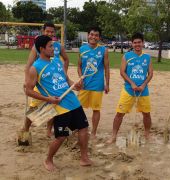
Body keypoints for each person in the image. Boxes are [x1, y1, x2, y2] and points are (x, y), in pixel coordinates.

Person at [25, 35, 91, 171]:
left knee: (83, 128)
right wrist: (48, 99)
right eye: (50, 46)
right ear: (42, 49)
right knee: (61, 137)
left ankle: (84, 157)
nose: (54, 48)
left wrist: (75, 85)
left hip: (73, 100)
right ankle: (48, 160)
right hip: (59, 105)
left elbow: (66, 79)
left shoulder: (57, 61)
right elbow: (28, 91)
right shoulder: (35, 68)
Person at [23, 22, 70, 137]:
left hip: (54, 83)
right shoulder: (37, 46)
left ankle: (49, 130)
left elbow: (66, 60)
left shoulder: (58, 46)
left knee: (53, 106)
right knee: (34, 108)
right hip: (41, 82)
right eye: (47, 31)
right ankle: (25, 129)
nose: (50, 33)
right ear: (43, 31)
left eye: (52, 32)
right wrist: (27, 80)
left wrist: (63, 75)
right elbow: (29, 65)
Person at [107, 32, 153, 144]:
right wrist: (132, 83)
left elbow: (150, 74)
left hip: (143, 91)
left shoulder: (147, 57)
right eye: (135, 42)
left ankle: (147, 134)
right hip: (128, 90)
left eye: (139, 42)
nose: (137, 44)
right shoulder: (126, 56)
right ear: (132, 44)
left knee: (146, 114)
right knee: (119, 114)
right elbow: (122, 72)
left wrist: (143, 85)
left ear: (143, 43)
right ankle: (113, 136)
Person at [77, 27, 110, 139]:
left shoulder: (104, 50)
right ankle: (80, 128)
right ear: (88, 35)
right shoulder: (82, 49)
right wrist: (80, 77)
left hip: (97, 85)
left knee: (96, 109)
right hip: (84, 84)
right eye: (91, 34)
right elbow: (79, 66)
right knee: (78, 108)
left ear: (99, 37)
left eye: (96, 35)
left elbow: (107, 68)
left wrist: (107, 84)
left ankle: (94, 132)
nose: (93, 37)